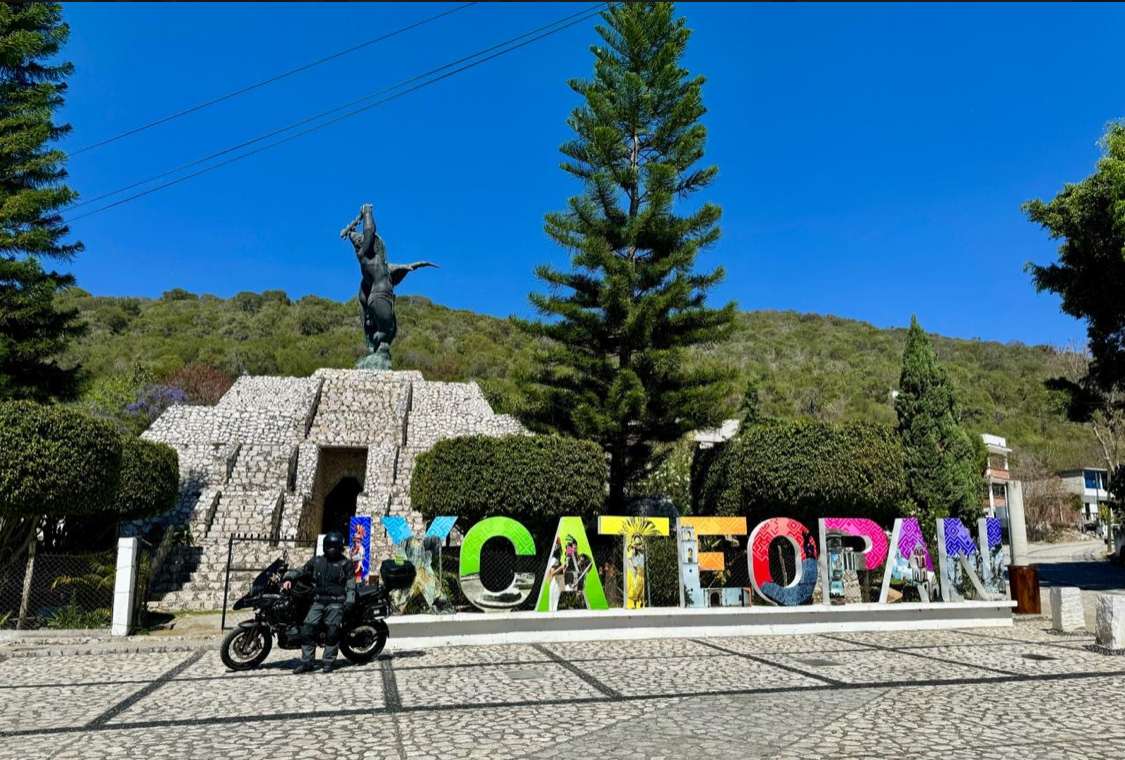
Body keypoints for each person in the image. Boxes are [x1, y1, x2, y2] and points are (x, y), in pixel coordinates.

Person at [283, 531, 356, 674]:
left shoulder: (346, 564)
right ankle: (307, 662)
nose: (332, 549)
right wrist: (289, 577)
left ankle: (328, 661)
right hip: (318, 600)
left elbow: (351, 584)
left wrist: (350, 601)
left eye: (335, 546)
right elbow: (302, 570)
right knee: (307, 629)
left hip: (336, 601)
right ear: (325, 546)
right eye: (329, 545)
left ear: (340, 547)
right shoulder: (316, 561)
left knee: (332, 631)